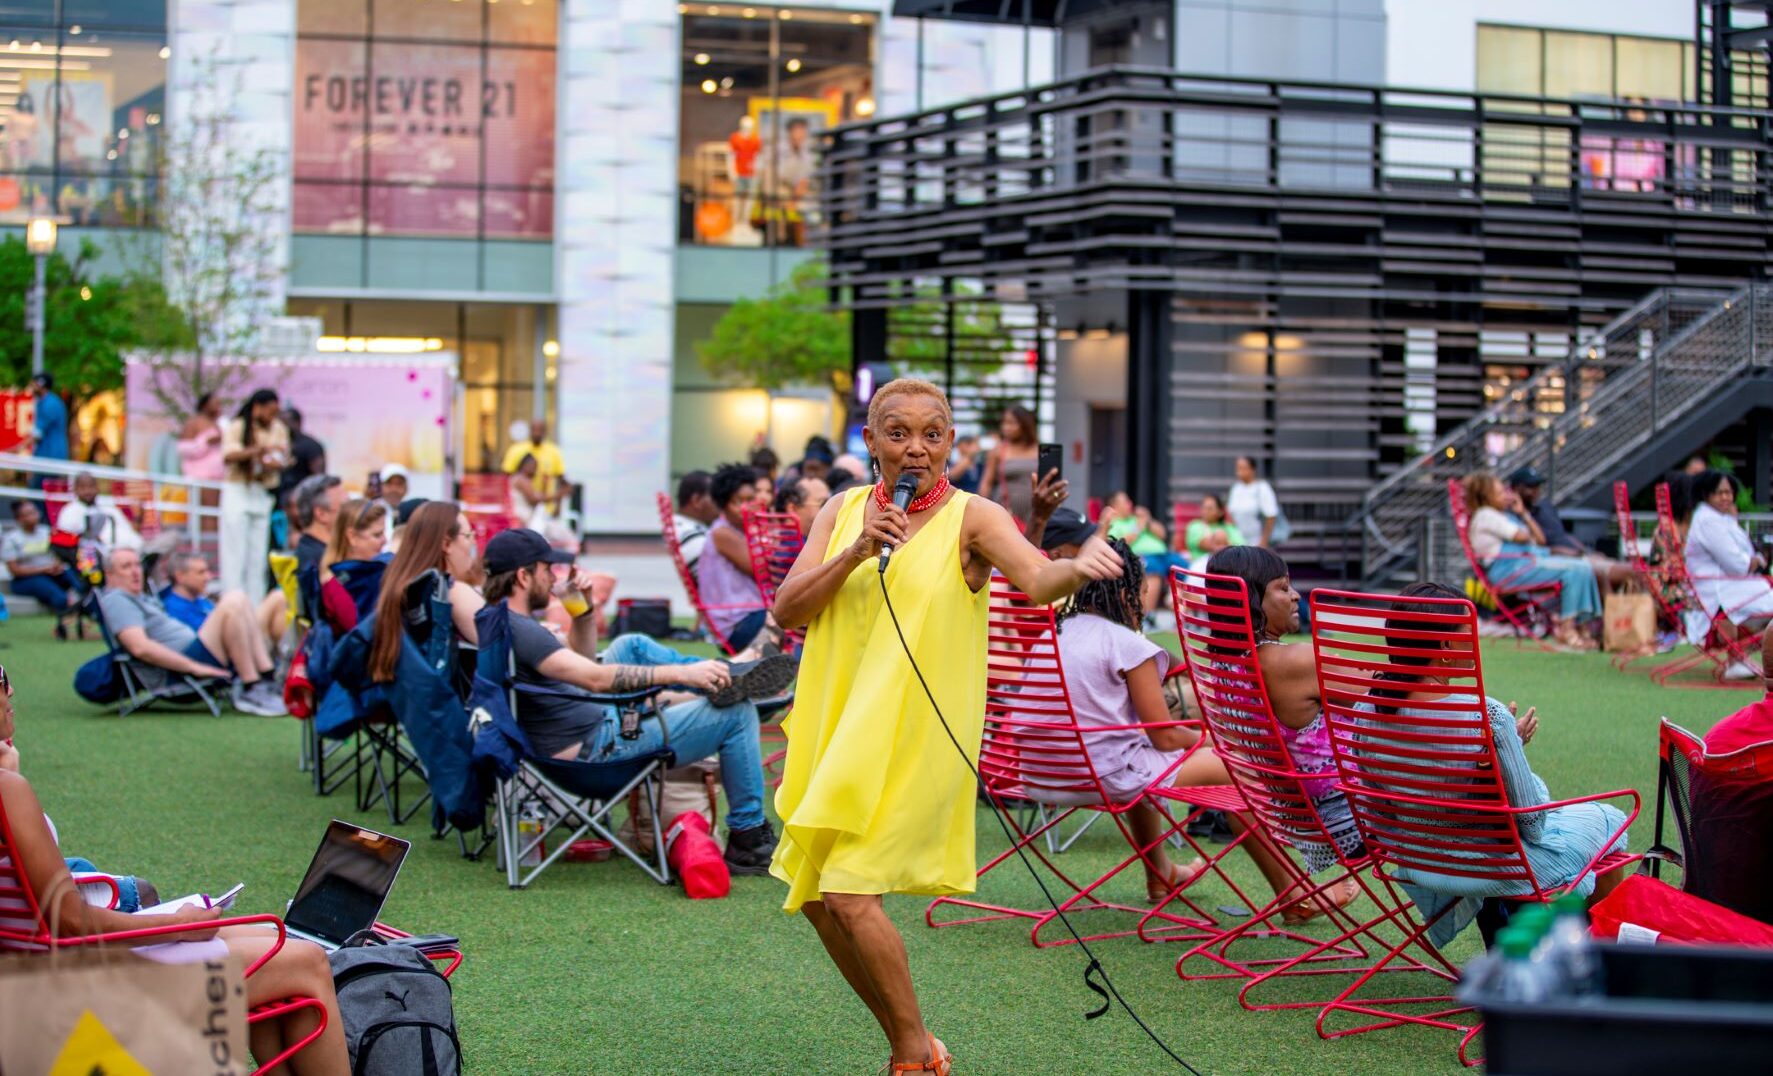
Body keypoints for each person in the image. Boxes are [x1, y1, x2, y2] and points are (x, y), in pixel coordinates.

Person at [769, 377, 1123, 1074]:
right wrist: (851, 551)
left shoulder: (976, 516)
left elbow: (1035, 579)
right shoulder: (841, 511)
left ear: (950, 445)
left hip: (910, 739)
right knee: (818, 901)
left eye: (932, 434)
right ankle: (911, 1040)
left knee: (847, 892)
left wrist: (1075, 567)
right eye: (896, 433)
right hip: (836, 726)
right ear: (869, 442)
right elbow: (787, 610)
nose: (915, 448)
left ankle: (910, 1055)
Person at [0, 721, 350, 1072]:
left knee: (275, 939)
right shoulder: (8, 791)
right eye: (2, 681)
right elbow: (71, 922)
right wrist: (179, 925)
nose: (10, 690)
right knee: (309, 961)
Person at [482, 528, 791, 873]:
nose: (552, 577)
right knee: (737, 713)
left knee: (630, 646)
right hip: (596, 755)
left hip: (588, 730)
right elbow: (594, 678)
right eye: (545, 570)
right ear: (523, 576)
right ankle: (748, 840)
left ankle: (724, 675)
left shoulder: (498, 621)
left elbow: (581, 661)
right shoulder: (524, 631)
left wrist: (580, 609)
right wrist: (680, 675)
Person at [1358, 581, 1631, 947]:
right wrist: (1510, 746)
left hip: (1416, 858)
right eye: (1467, 630)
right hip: (1486, 864)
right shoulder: (1487, 716)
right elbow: (1532, 822)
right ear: (1443, 646)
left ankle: (1512, 944)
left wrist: (1494, 756)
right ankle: (1601, 956)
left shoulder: (1365, 710)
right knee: (1611, 821)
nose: (1476, 637)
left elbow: (1379, 807)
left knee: (1512, 829)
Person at [1051, 539, 1319, 906]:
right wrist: (1216, 742)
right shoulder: (1125, 643)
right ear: (1127, 592)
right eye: (1143, 591)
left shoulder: (1057, 633)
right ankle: (1295, 896)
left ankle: (1161, 874)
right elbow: (1165, 738)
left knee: (1144, 756)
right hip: (1099, 773)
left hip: (1040, 771)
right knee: (1237, 766)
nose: (1145, 602)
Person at [1200, 545, 1365, 907]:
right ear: (1253, 600)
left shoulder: (1223, 668)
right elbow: (1394, 705)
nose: (1295, 596)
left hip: (1290, 815)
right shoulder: (1295, 661)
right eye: (1282, 587)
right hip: (1354, 819)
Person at [98, 548, 287, 716]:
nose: (135, 572)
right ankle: (252, 686)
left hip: (196, 651)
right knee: (232, 601)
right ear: (110, 574)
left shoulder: (140, 598)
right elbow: (140, 648)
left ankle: (267, 677)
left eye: (137, 565)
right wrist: (193, 667)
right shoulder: (117, 599)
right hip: (180, 668)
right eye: (126, 567)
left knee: (241, 598)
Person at [1462, 472, 1601, 651]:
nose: (1506, 496)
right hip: (1509, 571)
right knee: (1574, 570)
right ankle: (1567, 629)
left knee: (1583, 566)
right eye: (1500, 493)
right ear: (1487, 496)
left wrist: (1523, 513)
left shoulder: (1502, 515)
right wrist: (1521, 522)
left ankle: (1581, 627)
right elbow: (1521, 536)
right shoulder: (1486, 515)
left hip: (1523, 566)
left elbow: (1540, 540)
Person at [367, 502, 483, 682]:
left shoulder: (399, 584)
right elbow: (505, 649)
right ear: (446, 544)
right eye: (468, 536)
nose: (473, 543)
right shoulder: (453, 592)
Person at [1685, 470, 1773, 671]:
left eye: (1729, 492)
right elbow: (1738, 565)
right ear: (1707, 494)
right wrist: (1755, 561)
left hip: (1729, 587)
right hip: (1721, 592)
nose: (1726, 497)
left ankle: (1739, 657)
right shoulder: (1708, 521)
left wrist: (1753, 561)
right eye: (1720, 493)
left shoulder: (1717, 517)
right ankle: (1738, 659)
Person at [1507, 466, 1634, 591]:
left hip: (1577, 555)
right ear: (1516, 489)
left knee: (1630, 572)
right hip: (1561, 561)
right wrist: (1579, 555)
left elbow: (1563, 535)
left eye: (1537, 485)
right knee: (1629, 572)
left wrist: (1586, 551)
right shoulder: (1514, 518)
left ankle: (1618, 609)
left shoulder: (1545, 506)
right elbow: (1540, 546)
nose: (1536, 490)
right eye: (1531, 486)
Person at [219, 389, 289, 603]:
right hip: (238, 489)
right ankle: (232, 605)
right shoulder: (238, 427)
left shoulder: (278, 428)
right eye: (270, 411)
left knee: (257, 558)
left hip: (262, 492)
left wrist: (270, 458)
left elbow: (282, 457)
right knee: (234, 555)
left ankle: (256, 611)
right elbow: (229, 455)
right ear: (257, 407)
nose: (272, 416)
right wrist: (258, 451)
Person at [697, 463, 771, 651]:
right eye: (739, 501)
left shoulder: (737, 529)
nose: (746, 507)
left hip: (747, 615)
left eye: (750, 499)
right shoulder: (722, 533)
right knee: (796, 615)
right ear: (724, 504)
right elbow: (762, 572)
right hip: (735, 625)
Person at [3, 500, 82, 635]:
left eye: (34, 512)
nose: (35, 516)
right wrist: (43, 569)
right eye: (28, 514)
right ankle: (62, 626)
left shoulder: (47, 532)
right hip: (25, 579)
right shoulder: (12, 539)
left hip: (50, 574)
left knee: (74, 577)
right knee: (58, 596)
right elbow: (14, 569)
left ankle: (88, 604)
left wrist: (58, 564)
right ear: (19, 519)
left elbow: (62, 553)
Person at [1104, 491, 1184, 620]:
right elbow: (1119, 544)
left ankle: (1191, 613)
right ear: (1114, 506)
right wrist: (1138, 528)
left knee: (1186, 568)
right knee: (1154, 570)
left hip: (1165, 555)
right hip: (1143, 557)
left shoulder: (1138, 518)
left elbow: (1162, 534)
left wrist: (1148, 520)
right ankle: (1147, 617)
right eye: (1125, 502)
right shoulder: (1114, 524)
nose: (1130, 504)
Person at [318, 499, 388, 633]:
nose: (385, 541)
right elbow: (361, 635)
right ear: (352, 536)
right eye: (377, 535)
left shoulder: (362, 573)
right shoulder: (336, 584)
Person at [978, 405, 1040, 527]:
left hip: (1034, 512)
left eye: (1012, 423)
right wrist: (980, 511)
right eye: (1004, 423)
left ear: (1025, 424)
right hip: (1004, 511)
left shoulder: (1038, 449)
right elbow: (986, 483)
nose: (1006, 427)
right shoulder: (998, 451)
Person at [54, 472, 143, 552]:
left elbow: (130, 531)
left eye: (91, 486)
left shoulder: (108, 507)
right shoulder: (70, 511)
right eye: (83, 487)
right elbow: (66, 541)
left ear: (97, 488)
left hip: (132, 550)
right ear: (75, 489)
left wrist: (139, 516)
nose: (87, 491)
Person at [290, 474, 345, 578]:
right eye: (344, 507)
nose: (351, 513)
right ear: (321, 514)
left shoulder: (319, 553)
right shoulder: (316, 565)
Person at [500, 418, 567, 501]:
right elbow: (505, 478)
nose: (537, 433)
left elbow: (561, 479)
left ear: (545, 431)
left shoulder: (553, 451)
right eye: (534, 430)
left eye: (540, 430)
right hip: (521, 509)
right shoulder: (516, 450)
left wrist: (557, 503)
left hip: (545, 508)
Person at [1226, 456, 1284, 549]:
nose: (1239, 471)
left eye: (1243, 468)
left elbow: (1271, 515)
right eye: (1238, 468)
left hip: (1257, 542)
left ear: (1253, 470)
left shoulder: (1262, 488)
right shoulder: (1236, 488)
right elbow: (1230, 514)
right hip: (1238, 542)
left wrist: (1263, 542)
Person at [276, 407, 327, 511]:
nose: (281, 427)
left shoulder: (310, 445)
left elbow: (318, 477)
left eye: (285, 422)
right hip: (276, 498)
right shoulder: (278, 444)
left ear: (297, 422)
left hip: (300, 500)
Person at [160, 551, 217, 633]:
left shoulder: (203, 603)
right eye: (201, 572)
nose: (208, 578)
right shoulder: (170, 611)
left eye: (207, 572)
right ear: (180, 577)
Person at [672, 471, 719, 570]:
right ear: (696, 500)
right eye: (716, 498)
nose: (721, 504)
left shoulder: (677, 525)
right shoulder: (693, 536)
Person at [174, 392, 225, 482]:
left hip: (217, 475)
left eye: (219, 404)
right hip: (200, 477)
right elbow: (183, 448)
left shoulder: (217, 424)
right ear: (205, 405)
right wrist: (206, 441)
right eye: (215, 404)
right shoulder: (193, 423)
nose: (219, 407)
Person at [26, 372, 68, 475]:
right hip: (47, 456)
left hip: (50, 457)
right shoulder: (47, 402)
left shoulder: (50, 404)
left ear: (41, 385)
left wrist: (16, 450)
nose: (32, 387)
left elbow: (37, 434)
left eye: (34, 384)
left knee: (38, 488)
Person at [510, 453, 565, 529]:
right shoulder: (521, 479)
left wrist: (544, 486)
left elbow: (538, 499)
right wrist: (557, 495)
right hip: (521, 518)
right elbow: (533, 499)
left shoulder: (522, 479)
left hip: (524, 518)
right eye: (534, 466)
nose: (535, 470)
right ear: (525, 465)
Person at [1184, 493, 1243, 562]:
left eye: (1210, 508)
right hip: (1200, 567)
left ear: (1220, 511)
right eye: (1204, 507)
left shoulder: (1229, 528)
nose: (1205, 511)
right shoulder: (1195, 526)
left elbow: (1240, 548)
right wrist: (1225, 544)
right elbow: (1203, 544)